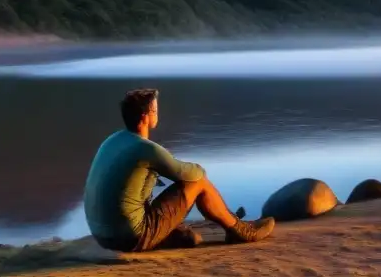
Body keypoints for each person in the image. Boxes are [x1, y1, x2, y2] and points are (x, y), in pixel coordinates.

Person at [84, 88, 275, 252]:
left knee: (188, 238)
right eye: (155, 110)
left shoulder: (112, 140)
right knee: (199, 182)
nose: (157, 114)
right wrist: (188, 165)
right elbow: (192, 174)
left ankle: (173, 235)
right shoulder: (146, 149)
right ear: (145, 116)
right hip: (130, 237)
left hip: (103, 236)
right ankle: (242, 231)